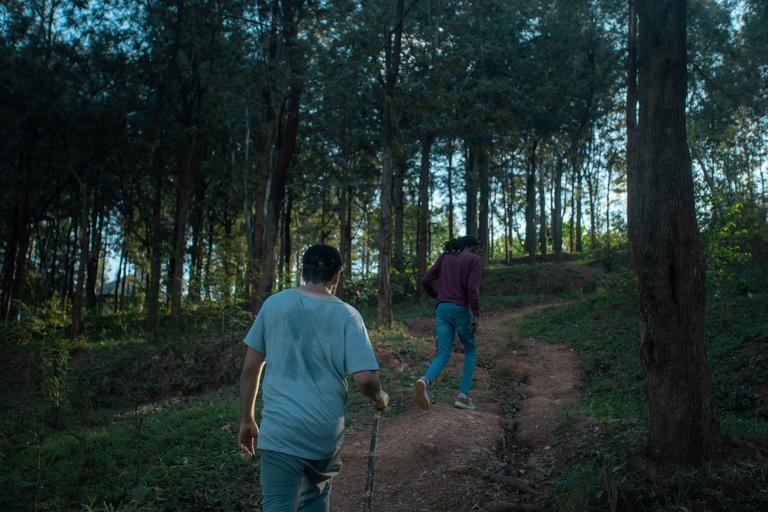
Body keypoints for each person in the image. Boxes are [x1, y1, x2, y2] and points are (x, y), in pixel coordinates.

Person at [238, 243, 389, 512]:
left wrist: (247, 419)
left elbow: (250, 368)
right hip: (323, 430)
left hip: (279, 430)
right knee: (316, 499)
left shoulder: (273, 304)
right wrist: (380, 398)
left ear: (302, 272)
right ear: (336, 276)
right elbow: (365, 379)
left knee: (276, 505)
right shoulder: (348, 315)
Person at [416, 235, 482, 411]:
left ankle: (425, 380)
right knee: (470, 349)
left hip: (442, 310)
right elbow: (472, 288)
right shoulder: (474, 259)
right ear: (474, 247)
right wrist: (475, 314)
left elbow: (425, 280)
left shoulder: (445, 257)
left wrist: (438, 296)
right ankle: (463, 396)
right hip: (460, 309)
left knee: (444, 352)